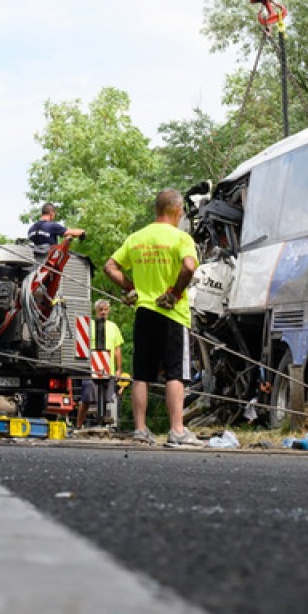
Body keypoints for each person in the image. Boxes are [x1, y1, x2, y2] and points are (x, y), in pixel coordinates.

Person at [103, 188, 200, 447]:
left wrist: (131, 288)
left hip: (144, 311)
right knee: (175, 374)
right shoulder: (181, 238)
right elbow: (189, 267)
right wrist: (174, 293)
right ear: (177, 210)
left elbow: (110, 266)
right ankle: (177, 431)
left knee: (142, 374)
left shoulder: (137, 238)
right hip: (172, 314)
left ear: (157, 210)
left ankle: (140, 430)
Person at [76, 298, 125, 429]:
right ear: (96, 311)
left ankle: (103, 424)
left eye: (105, 310)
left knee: (106, 399)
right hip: (91, 369)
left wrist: (119, 369)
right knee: (86, 398)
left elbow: (117, 349)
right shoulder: (89, 326)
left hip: (108, 369)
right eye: (100, 310)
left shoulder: (113, 327)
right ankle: (78, 425)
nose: (103, 312)